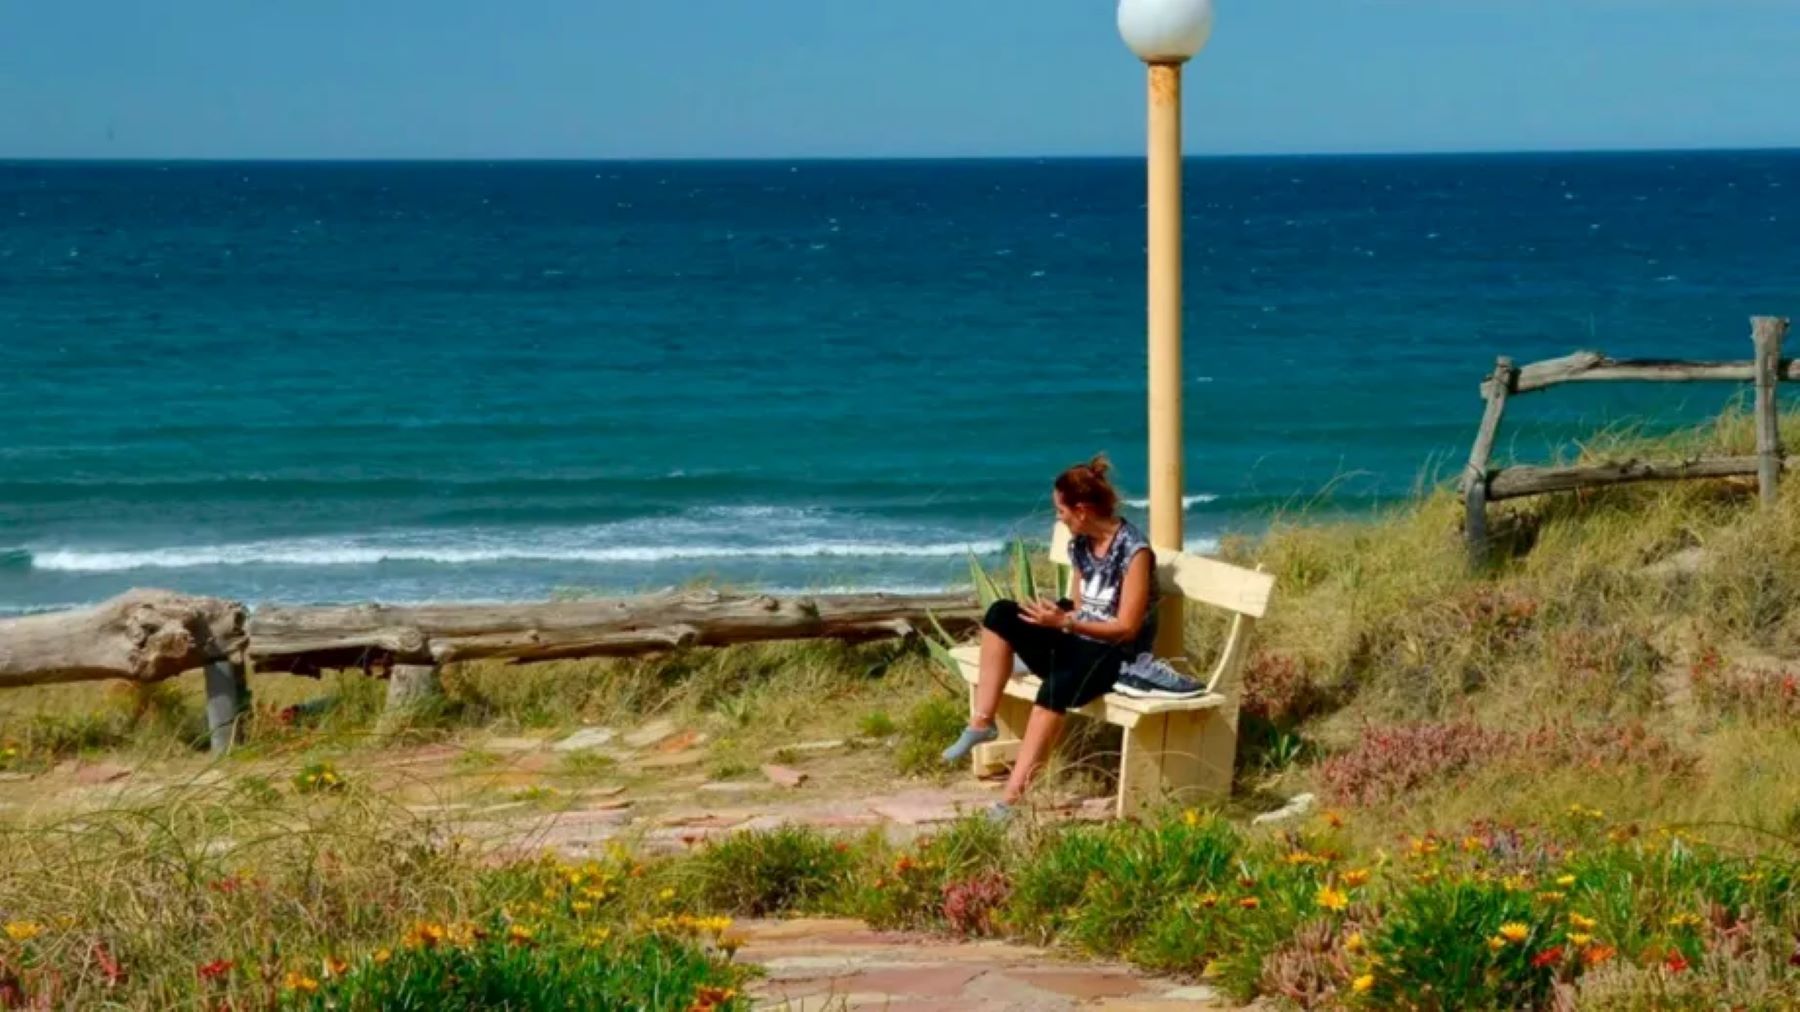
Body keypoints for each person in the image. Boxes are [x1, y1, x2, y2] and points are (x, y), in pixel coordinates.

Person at [942, 455, 1158, 819]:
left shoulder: (1135, 552)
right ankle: (982, 723)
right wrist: (1052, 618)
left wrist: (1066, 623)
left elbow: (1127, 628)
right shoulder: (1081, 545)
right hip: (1076, 634)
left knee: (1054, 687)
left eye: (1061, 510)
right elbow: (1077, 604)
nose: (1059, 517)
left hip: (1114, 653)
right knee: (1001, 614)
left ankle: (1011, 800)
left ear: (1083, 510)